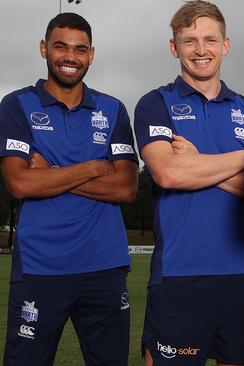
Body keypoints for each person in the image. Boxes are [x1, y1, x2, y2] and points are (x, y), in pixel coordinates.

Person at [133, 1, 244, 365]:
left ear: (225, 45)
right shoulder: (155, 104)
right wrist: (243, 158)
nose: (200, 50)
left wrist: (198, 161)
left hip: (243, 274)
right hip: (179, 273)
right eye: (189, 40)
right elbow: (169, 173)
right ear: (173, 47)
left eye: (210, 39)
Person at [0, 12, 137, 366]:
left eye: (80, 49)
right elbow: (19, 182)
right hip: (41, 269)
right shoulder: (17, 106)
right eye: (60, 47)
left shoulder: (112, 109)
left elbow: (125, 187)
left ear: (91, 55)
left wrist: (54, 174)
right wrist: (92, 168)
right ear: (45, 49)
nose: (70, 57)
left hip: (105, 268)